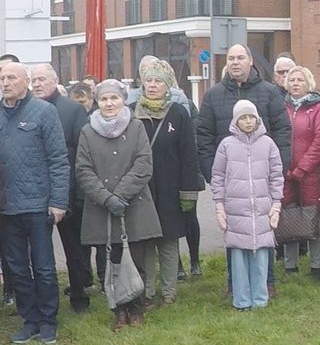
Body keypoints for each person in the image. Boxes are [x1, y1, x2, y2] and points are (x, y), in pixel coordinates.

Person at [197, 43, 291, 296]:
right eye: (231, 58)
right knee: (233, 234)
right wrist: (213, 175)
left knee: (265, 233)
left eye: (240, 57)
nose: (235, 62)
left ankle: (267, 281)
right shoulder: (214, 95)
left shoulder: (269, 93)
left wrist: (277, 171)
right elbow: (203, 136)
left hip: (261, 178)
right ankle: (235, 283)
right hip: (231, 180)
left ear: (250, 61)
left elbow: (283, 132)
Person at [75, 80, 163, 331]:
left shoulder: (136, 127)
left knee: (136, 258)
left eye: (114, 98)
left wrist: (121, 195)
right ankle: (118, 310)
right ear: (96, 102)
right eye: (103, 99)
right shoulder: (87, 132)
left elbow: (144, 164)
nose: (109, 103)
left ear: (122, 100)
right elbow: (83, 170)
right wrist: (106, 198)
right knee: (110, 261)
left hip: (134, 205)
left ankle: (136, 308)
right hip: (101, 208)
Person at [0, 62, 70, 343]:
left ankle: (48, 321)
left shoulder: (44, 112)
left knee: (43, 266)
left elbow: (58, 159)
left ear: (26, 81)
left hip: (37, 205)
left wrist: (58, 202)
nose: (5, 82)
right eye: (2, 78)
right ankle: (29, 320)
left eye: (11, 77)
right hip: (5, 208)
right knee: (16, 268)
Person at [130, 58, 202, 306]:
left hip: (171, 189)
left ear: (167, 85)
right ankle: (147, 291)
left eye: (157, 81)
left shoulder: (178, 113)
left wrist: (188, 192)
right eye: (148, 81)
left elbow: (189, 155)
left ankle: (169, 292)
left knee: (169, 242)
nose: (151, 86)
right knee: (146, 241)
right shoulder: (132, 112)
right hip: (142, 190)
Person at [29, 64, 92, 312]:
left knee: (74, 249)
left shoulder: (72, 110)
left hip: (67, 192)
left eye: (42, 79)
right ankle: (43, 299)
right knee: (39, 253)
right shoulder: (27, 111)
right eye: (33, 79)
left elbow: (82, 155)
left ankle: (78, 294)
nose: (37, 84)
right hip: (34, 193)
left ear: (55, 80)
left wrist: (76, 194)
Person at [211, 100, 284, 310]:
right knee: (238, 260)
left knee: (261, 257)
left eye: (251, 117)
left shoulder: (268, 144)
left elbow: (277, 176)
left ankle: (260, 300)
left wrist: (276, 205)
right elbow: (218, 176)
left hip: (262, 210)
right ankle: (241, 300)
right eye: (243, 117)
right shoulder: (226, 145)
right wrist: (219, 206)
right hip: (235, 210)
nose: (248, 121)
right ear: (236, 121)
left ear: (258, 118)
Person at [282, 66, 320, 280]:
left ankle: (317, 267)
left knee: (312, 217)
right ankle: (290, 267)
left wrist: (302, 168)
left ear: (308, 83)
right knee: (288, 216)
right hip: (285, 173)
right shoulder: (281, 106)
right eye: (292, 80)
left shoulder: (317, 107)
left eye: (300, 80)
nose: (295, 83)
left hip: (311, 174)